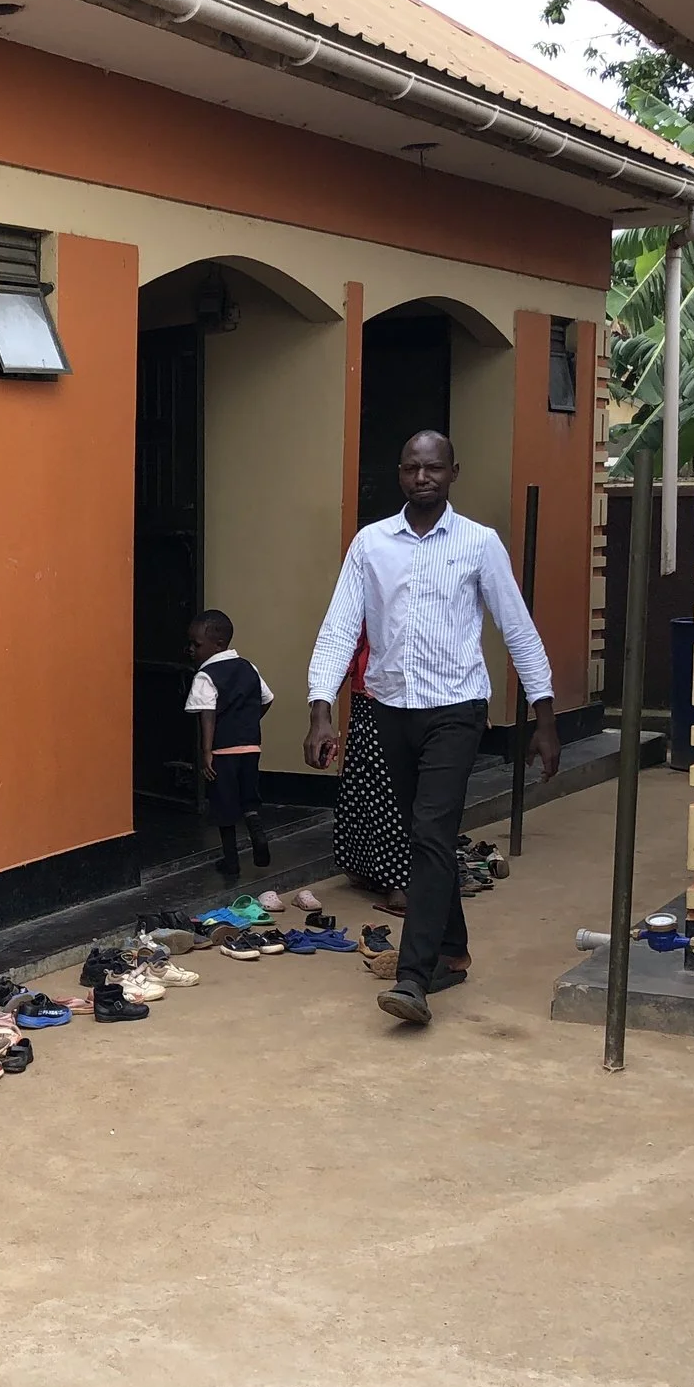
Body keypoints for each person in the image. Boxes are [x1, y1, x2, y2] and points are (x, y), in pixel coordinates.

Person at [304, 431, 558, 1027]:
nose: (424, 478)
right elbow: (340, 626)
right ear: (400, 474)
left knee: (429, 830)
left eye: (434, 468)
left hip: (455, 709)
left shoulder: (479, 544)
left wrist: (544, 720)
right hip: (390, 708)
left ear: (453, 472)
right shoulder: (371, 544)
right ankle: (452, 949)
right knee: (428, 837)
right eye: (413, 468)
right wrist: (321, 708)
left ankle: (415, 977)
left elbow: (516, 629)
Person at [183, 609, 275, 880]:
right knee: (249, 798)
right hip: (250, 746)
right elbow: (267, 698)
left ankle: (231, 862)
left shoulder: (206, 675)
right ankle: (257, 831)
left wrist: (207, 752)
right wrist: (248, 722)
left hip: (222, 750)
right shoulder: (248, 667)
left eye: (196, 645)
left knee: (224, 807)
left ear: (217, 644)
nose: (191, 650)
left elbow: (207, 714)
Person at [332, 632, 410, 915]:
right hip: (370, 696)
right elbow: (345, 648)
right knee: (362, 784)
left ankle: (398, 882)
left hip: (390, 696)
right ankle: (369, 870)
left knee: (385, 790)